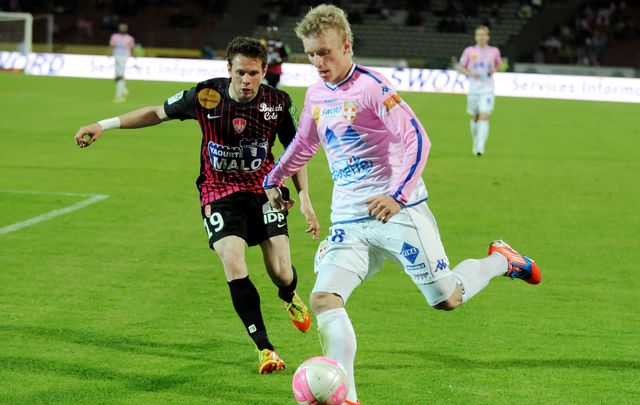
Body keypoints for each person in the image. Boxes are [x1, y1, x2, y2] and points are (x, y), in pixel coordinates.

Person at [262, 5, 541, 404]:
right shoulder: (316, 95)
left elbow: (418, 139)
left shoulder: (373, 87)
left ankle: (502, 260)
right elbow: (305, 144)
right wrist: (272, 179)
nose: (317, 62)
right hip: (348, 219)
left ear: (346, 44)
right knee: (325, 299)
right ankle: (349, 397)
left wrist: (397, 196)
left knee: (447, 299)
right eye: (309, 54)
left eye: (324, 52)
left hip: (397, 211)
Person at [74, 36, 320, 374]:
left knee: (280, 272)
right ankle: (265, 348)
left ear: (265, 70)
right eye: (239, 73)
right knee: (233, 263)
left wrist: (304, 195)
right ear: (228, 69)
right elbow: (156, 113)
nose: (246, 81)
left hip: (265, 190)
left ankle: (289, 294)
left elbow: (296, 151)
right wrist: (104, 124)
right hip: (218, 192)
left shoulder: (278, 103)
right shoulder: (206, 96)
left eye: (253, 73)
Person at [458, 25, 503, 156]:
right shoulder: (469, 51)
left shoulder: (494, 51)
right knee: (475, 117)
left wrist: (494, 69)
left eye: (483, 34)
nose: (481, 37)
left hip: (487, 89)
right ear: (475, 36)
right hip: (473, 89)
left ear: (487, 36)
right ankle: (476, 140)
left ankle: (480, 147)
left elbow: (500, 64)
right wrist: (470, 73)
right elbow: (462, 66)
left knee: (484, 116)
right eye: (478, 34)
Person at [108, 23, 135, 102]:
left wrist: (134, 55)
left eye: (124, 28)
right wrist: (109, 52)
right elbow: (112, 46)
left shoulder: (130, 38)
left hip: (124, 57)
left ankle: (120, 94)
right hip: (116, 57)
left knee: (120, 76)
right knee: (118, 76)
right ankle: (123, 91)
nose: (122, 29)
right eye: (121, 28)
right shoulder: (114, 36)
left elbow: (132, 48)